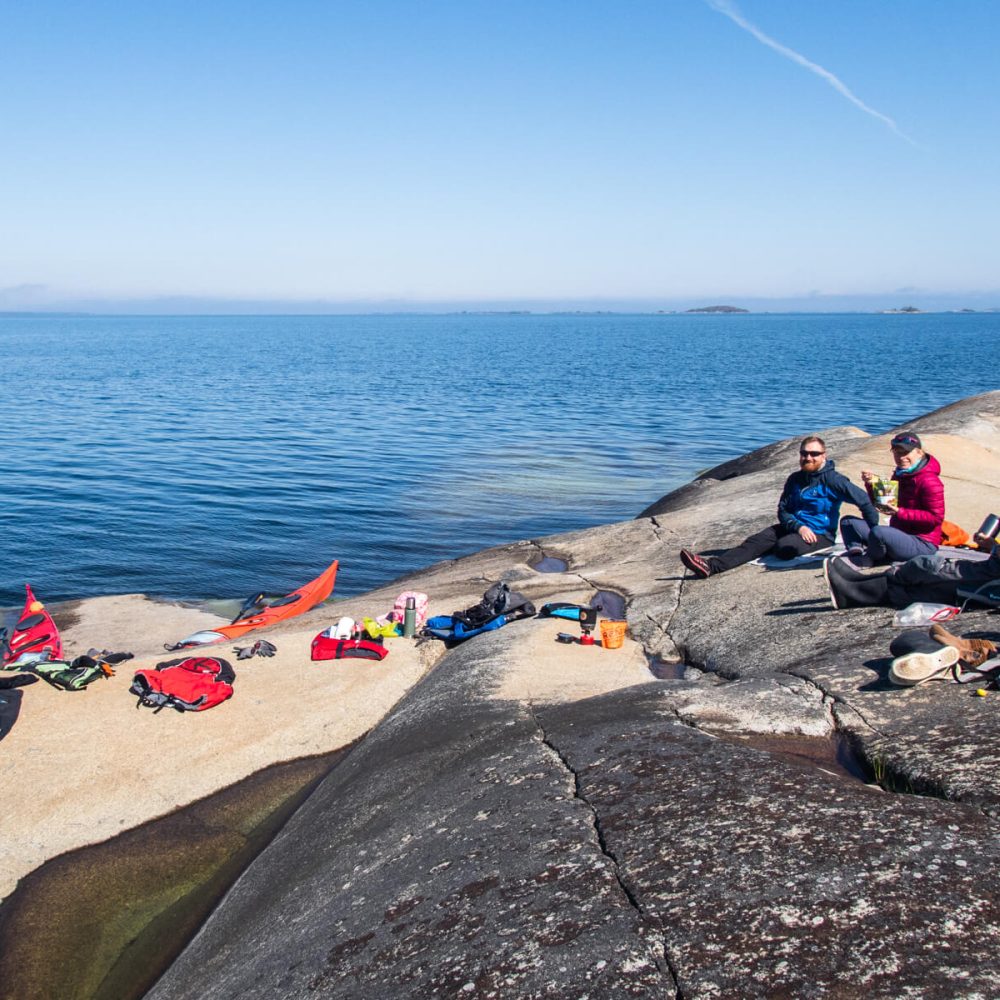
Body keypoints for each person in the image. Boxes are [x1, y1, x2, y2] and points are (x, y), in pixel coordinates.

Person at [680, 436, 878, 578]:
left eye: (814, 454)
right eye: (804, 453)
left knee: (784, 548)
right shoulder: (795, 479)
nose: (808, 457)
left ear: (824, 456)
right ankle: (710, 566)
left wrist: (874, 535)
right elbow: (783, 510)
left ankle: (774, 546)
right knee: (755, 541)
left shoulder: (834, 481)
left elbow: (864, 501)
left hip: (820, 534)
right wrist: (798, 526)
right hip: (794, 527)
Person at [839, 431, 944, 566]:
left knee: (879, 532)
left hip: (922, 543)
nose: (901, 457)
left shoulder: (930, 481)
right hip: (898, 534)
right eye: (897, 452)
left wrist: (900, 512)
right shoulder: (901, 474)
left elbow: (935, 518)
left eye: (905, 452)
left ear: (919, 453)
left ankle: (871, 559)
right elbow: (882, 505)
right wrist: (872, 485)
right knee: (848, 522)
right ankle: (856, 553)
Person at [824, 530, 999, 610]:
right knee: (924, 572)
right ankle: (855, 583)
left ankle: (850, 593)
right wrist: (992, 545)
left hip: (990, 581)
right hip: (990, 571)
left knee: (927, 573)